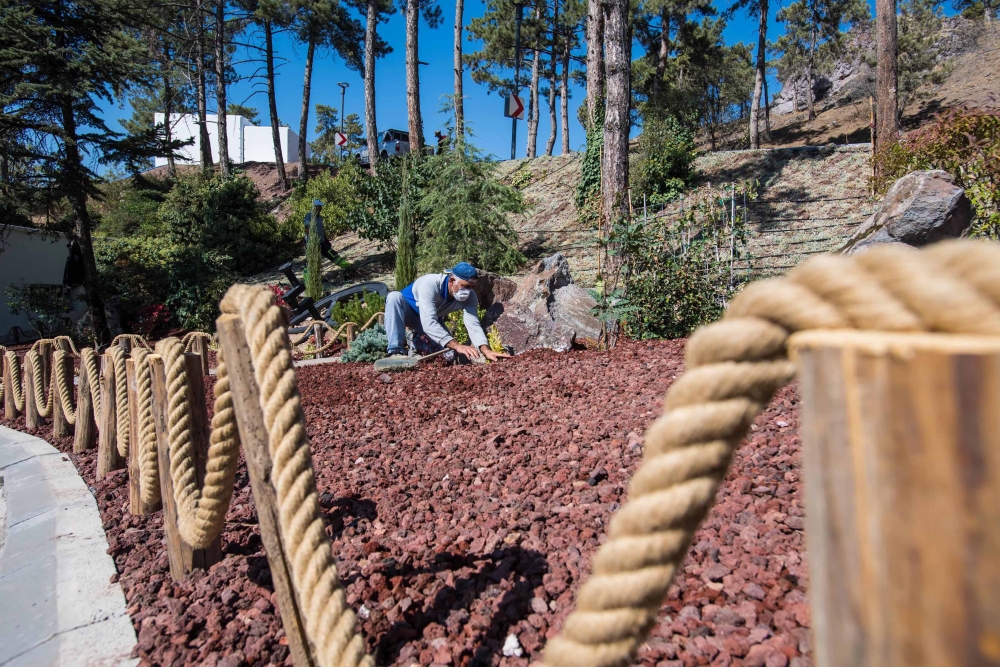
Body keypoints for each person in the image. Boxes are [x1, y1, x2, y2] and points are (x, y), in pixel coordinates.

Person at [385, 262, 510, 362]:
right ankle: (395, 352)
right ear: (451, 281)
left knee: (449, 356)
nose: (468, 291)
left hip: (432, 320)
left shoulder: (470, 297)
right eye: (465, 286)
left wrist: (486, 350)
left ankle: (417, 341)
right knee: (394, 297)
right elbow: (429, 323)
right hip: (410, 313)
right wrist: (457, 345)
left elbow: (473, 325)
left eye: (472, 287)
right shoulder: (429, 284)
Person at [303, 200, 350, 269]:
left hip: (322, 242)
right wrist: (311, 242)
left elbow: (322, 229)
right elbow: (307, 229)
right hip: (313, 243)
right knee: (311, 262)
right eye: (320, 206)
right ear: (315, 207)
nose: (321, 208)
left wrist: (326, 239)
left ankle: (346, 266)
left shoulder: (320, 217)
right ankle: (307, 278)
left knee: (332, 254)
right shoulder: (309, 216)